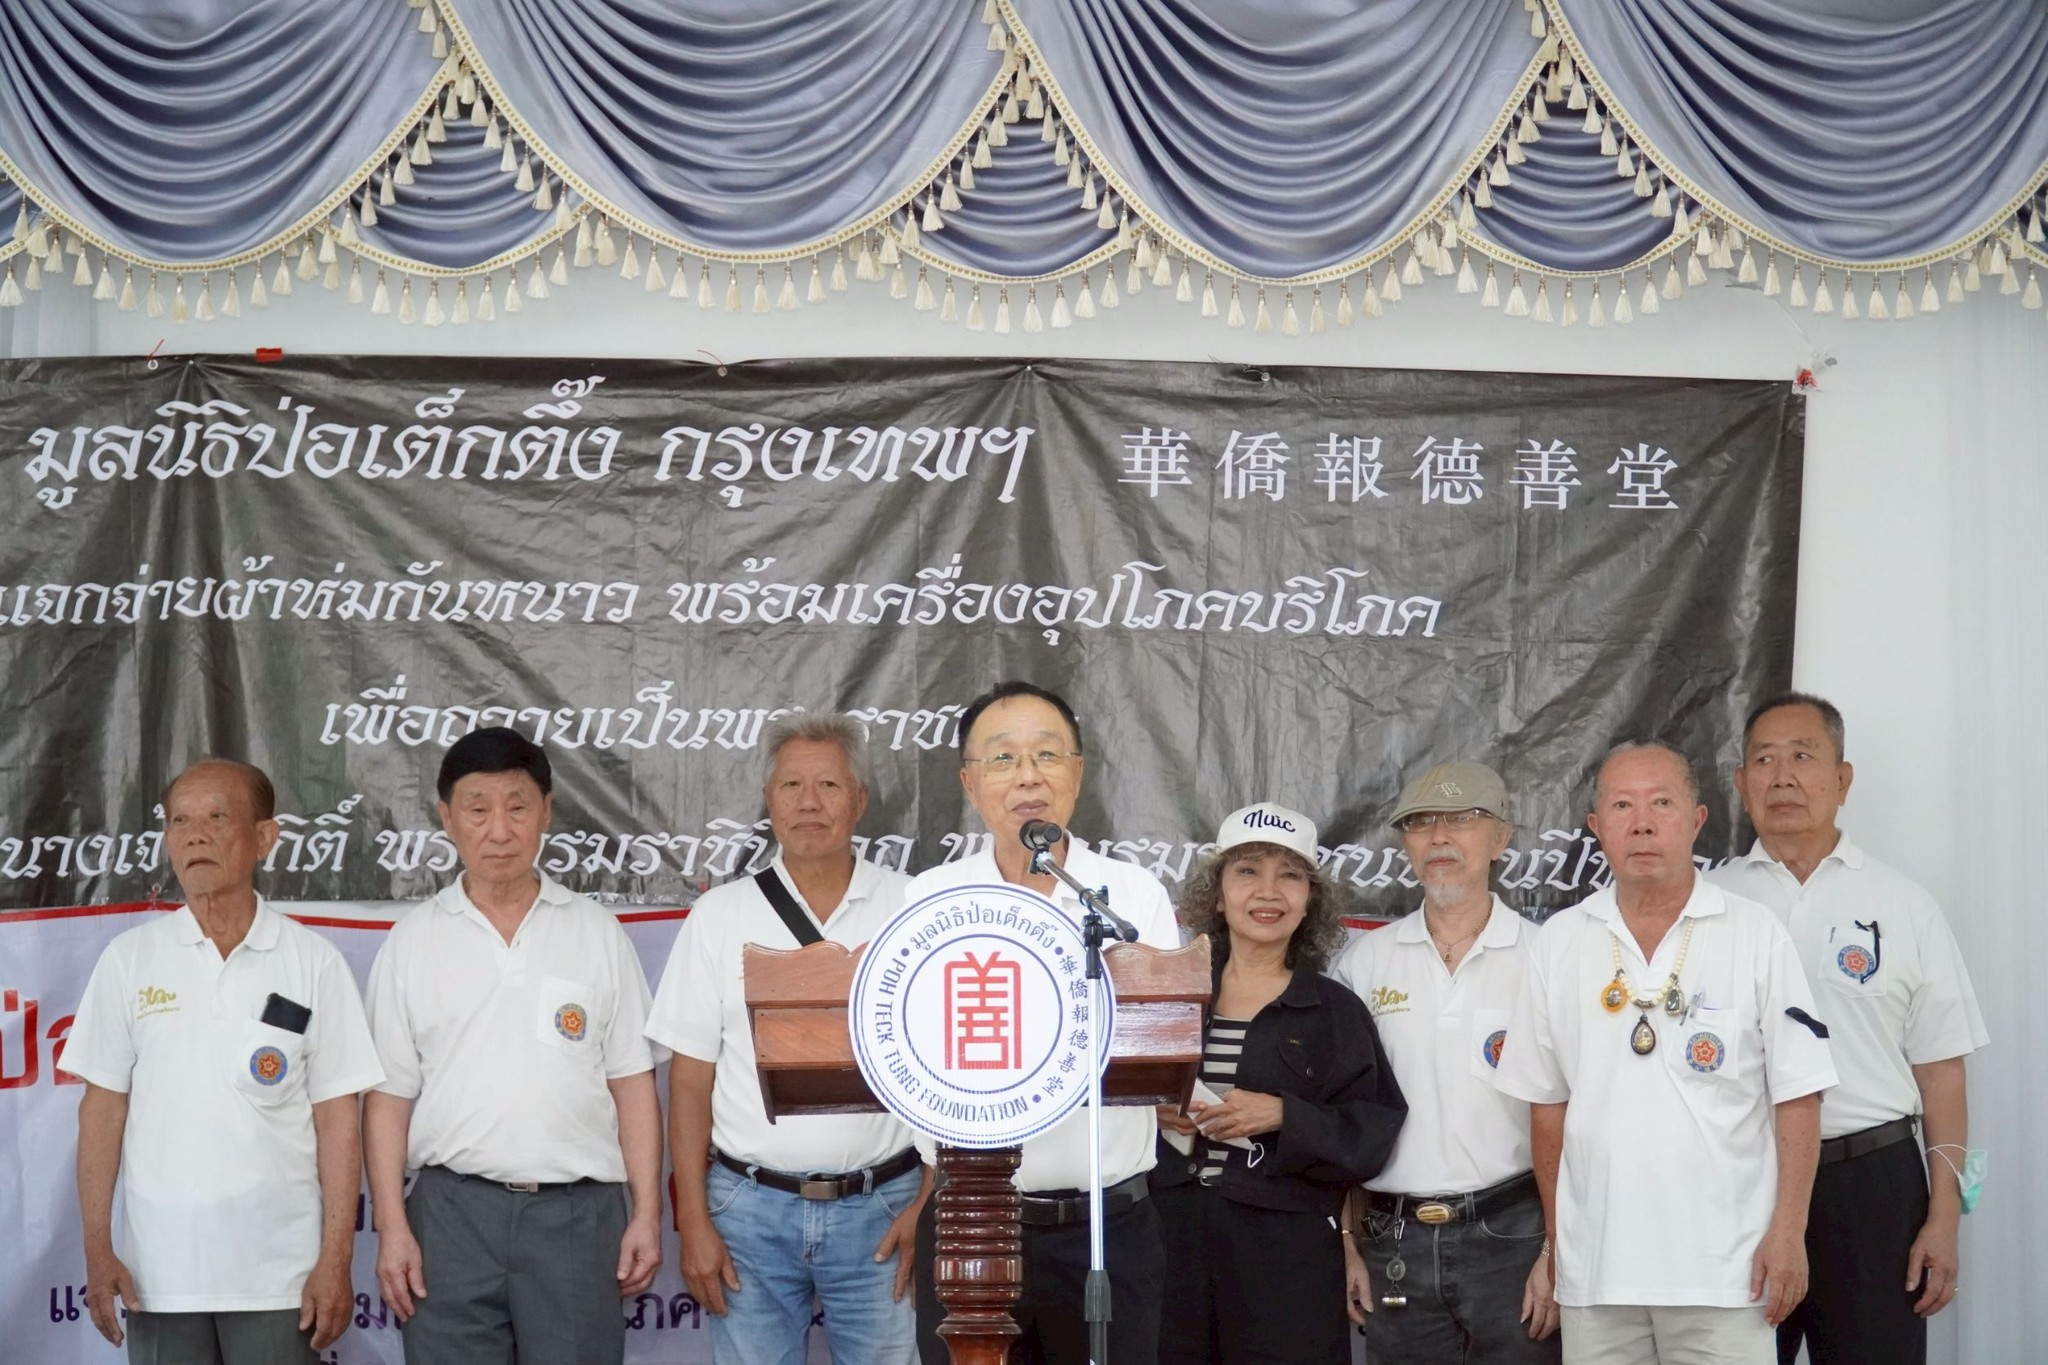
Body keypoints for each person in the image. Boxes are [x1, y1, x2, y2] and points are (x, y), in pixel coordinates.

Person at [1494, 742, 1837, 1365]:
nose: (1642, 823)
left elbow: (1799, 1094)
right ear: (1597, 827)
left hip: (1727, 1274)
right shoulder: (1561, 942)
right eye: (1622, 806)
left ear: (1697, 819)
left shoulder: (1754, 932)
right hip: (1598, 1275)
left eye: (1662, 803)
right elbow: (1547, 1106)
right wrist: (1557, 1240)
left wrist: (1789, 1233)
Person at [66, 758, 383, 1364]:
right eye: (179, 821)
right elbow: (102, 1110)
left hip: (281, 1278)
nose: (195, 836)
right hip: (159, 1277)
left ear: (264, 837)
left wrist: (335, 1259)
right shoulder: (129, 959)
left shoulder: (312, 961)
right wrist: (97, 1249)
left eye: (217, 817)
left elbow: (339, 1118)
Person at [362, 727, 663, 1365]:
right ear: (447, 818)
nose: (499, 830)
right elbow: (388, 1099)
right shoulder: (413, 942)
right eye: (478, 809)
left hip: (577, 1219)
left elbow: (632, 1084)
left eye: (517, 807)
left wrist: (646, 1213)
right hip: (451, 1218)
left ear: (546, 812)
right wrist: (392, 1226)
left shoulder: (595, 933)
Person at [906, 680, 1180, 1365]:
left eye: (1047, 754)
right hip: (970, 1221)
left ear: (1077, 774)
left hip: (1106, 1226)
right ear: (970, 783)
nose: (1028, 776)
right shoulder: (930, 898)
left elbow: (1159, 1037)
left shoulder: (1130, 895)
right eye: (1003, 758)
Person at [1707, 694, 1986, 1365]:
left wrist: (1945, 1216)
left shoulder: (1905, 906)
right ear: (1740, 782)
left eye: (1802, 756)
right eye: (1764, 760)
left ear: (1842, 778)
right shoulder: (1710, 906)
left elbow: (1942, 1073)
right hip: (1741, 1182)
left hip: (1872, 1186)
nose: (1782, 776)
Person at [647, 713, 921, 1364]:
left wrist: (929, 1206)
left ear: (859, 799)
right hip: (748, 1212)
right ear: (769, 800)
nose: (808, 802)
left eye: (828, 784)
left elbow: (952, 1071)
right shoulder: (720, 915)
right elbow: (689, 1081)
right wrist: (693, 1221)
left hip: (885, 1206)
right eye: (791, 785)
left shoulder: (912, 906)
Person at [1153, 800, 1406, 1364]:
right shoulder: (1172, 994)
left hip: (1286, 1257)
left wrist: (1285, 1116)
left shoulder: (1333, 1009)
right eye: (1247, 871)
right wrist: (1154, 1114)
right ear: (1217, 895)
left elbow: (1372, 1132)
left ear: (1310, 898)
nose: (1268, 892)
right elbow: (1107, 1104)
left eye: (1289, 875)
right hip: (1171, 1244)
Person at [1332, 761, 1561, 1363]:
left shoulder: (1548, 957)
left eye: (1462, 819)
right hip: (1393, 1244)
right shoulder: (1364, 964)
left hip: (1516, 1237)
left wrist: (1558, 1251)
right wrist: (1347, 1242)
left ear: (1501, 837)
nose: (1439, 837)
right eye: (1421, 822)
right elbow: (1343, 1116)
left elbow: (1578, 1116)